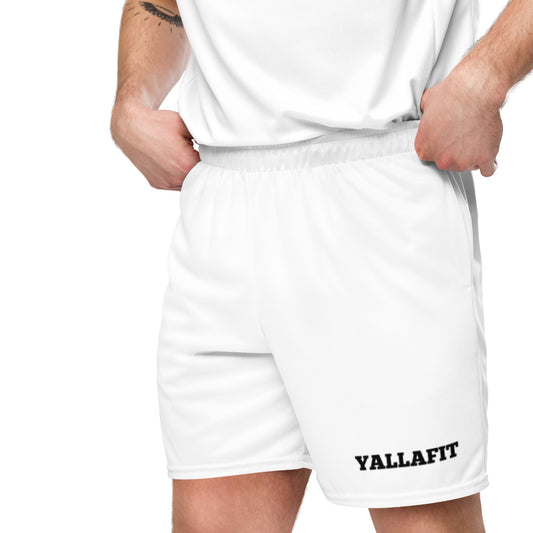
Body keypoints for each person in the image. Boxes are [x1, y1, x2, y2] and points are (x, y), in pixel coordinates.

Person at [110, 1, 533, 531]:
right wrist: (132, 102)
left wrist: (485, 79)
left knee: (422, 516)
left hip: (379, 195)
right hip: (219, 203)